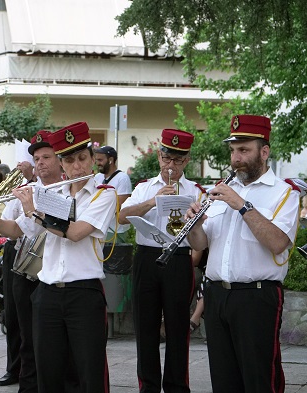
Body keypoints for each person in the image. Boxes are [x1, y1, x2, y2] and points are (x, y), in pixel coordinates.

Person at [0, 122, 117, 393]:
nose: (77, 166)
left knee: (88, 373)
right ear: (63, 164)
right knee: (48, 373)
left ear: (93, 160)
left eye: (82, 158)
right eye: (69, 160)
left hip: (84, 293)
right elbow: (17, 230)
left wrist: (34, 210)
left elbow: (77, 232)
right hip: (47, 294)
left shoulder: (104, 195)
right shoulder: (49, 194)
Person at [185, 114, 300, 392]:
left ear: (264, 151)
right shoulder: (222, 190)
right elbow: (200, 245)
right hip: (217, 295)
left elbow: (277, 243)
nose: (236, 159)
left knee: (260, 380)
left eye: (244, 150)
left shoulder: (284, 192)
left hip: (256, 298)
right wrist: (193, 226)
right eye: (233, 151)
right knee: (224, 381)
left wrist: (243, 205)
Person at [118, 129, 206, 393]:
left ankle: (177, 386)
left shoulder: (195, 191)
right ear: (159, 156)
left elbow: (202, 239)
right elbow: (122, 216)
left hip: (178, 259)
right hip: (146, 257)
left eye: (178, 161)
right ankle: (149, 387)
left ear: (187, 160)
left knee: (178, 327)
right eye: (167, 159)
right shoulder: (144, 187)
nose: (171, 166)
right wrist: (152, 202)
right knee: (145, 326)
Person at [0, 129, 62, 391]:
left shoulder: (67, 190)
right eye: (37, 158)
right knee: (23, 325)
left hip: (55, 268)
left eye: (46, 157)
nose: (40, 162)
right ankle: (26, 381)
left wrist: (32, 209)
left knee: (51, 335)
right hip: (26, 262)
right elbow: (13, 227)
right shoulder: (25, 190)